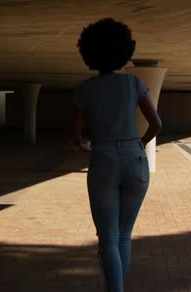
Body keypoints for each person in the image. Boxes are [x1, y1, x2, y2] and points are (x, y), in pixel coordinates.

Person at [70, 18, 162, 292]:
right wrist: (138, 144)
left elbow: (75, 137)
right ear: (125, 50)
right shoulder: (134, 83)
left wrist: (86, 143)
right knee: (123, 236)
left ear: (89, 53)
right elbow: (156, 124)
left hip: (104, 159)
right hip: (135, 159)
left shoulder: (86, 89)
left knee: (108, 239)